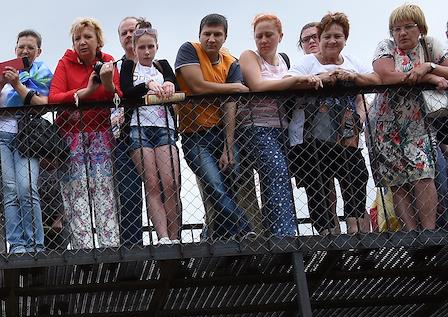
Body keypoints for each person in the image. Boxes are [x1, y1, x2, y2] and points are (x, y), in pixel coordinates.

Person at [288, 12, 375, 235]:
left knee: (356, 177)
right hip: (311, 140)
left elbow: (374, 82)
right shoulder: (307, 63)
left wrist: (353, 81)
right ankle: (329, 238)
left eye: (338, 36)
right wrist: (317, 79)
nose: (332, 41)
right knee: (318, 186)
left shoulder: (353, 62)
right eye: (327, 36)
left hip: (347, 137)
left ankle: (357, 235)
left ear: (345, 38)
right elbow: (285, 83)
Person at [368, 3, 448, 230]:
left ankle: (429, 230)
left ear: (420, 28)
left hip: (419, 123)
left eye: (407, 27)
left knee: (424, 173)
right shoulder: (386, 46)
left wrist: (429, 66)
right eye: (396, 29)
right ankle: (411, 234)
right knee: (397, 179)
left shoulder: (430, 45)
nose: (401, 33)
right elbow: (385, 75)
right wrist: (429, 78)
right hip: (385, 123)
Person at [174, 13, 253, 240]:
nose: (211, 38)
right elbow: (197, 86)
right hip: (194, 135)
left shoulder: (231, 62)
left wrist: (228, 145)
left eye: (217, 34)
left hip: (221, 132)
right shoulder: (189, 50)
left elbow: (230, 106)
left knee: (230, 181)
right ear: (200, 35)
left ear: (225, 37)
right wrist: (233, 88)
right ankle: (244, 228)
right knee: (215, 184)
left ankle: (212, 235)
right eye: (207, 34)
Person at [47, 18, 120, 249]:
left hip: (100, 134)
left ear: (99, 41)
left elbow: (117, 94)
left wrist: (107, 83)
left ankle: (109, 246)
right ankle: (84, 248)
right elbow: (53, 98)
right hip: (72, 136)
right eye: (77, 38)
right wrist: (86, 91)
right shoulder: (65, 63)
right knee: (76, 192)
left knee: (104, 189)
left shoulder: (108, 61)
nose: (82, 42)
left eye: (88, 37)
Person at [0, 29, 53, 254]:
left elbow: (41, 104)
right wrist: (2, 82)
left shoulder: (43, 73)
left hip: (26, 138)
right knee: (10, 188)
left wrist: (18, 85)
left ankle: (36, 244)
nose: (25, 50)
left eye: (30, 47)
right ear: (15, 49)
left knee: (27, 187)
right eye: (21, 46)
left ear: (38, 51)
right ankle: (18, 244)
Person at [238, 14, 308, 237]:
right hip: (255, 126)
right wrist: (293, 81)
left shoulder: (285, 61)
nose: (263, 40)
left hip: (282, 128)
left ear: (280, 36)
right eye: (259, 36)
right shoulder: (249, 56)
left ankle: (276, 230)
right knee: (276, 172)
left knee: (279, 176)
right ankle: (284, 235)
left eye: (269, 35)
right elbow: (257, 85)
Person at [114, 26, 183, 242]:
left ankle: (175, 236)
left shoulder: (162, 65)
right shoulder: (128, 67)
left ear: (156, 47)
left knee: (170, 183)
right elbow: (126, 91)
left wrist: (169, 84)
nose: (146, 52)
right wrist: (147, 85)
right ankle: (162, 237)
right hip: (139, 127)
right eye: (142, 47)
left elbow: (173, 81)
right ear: (134, 49)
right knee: (152, 184)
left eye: (150, 46)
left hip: (164, 128)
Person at [111, 16, 149, 247]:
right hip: (124, 137)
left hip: (155, 132)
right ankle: (132, 247)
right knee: (129, 194)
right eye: (123, 33)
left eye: (132, 31)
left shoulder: (157, 65)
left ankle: (168, 241)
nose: (127, 36)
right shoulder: (115, 67)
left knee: (164, 188)